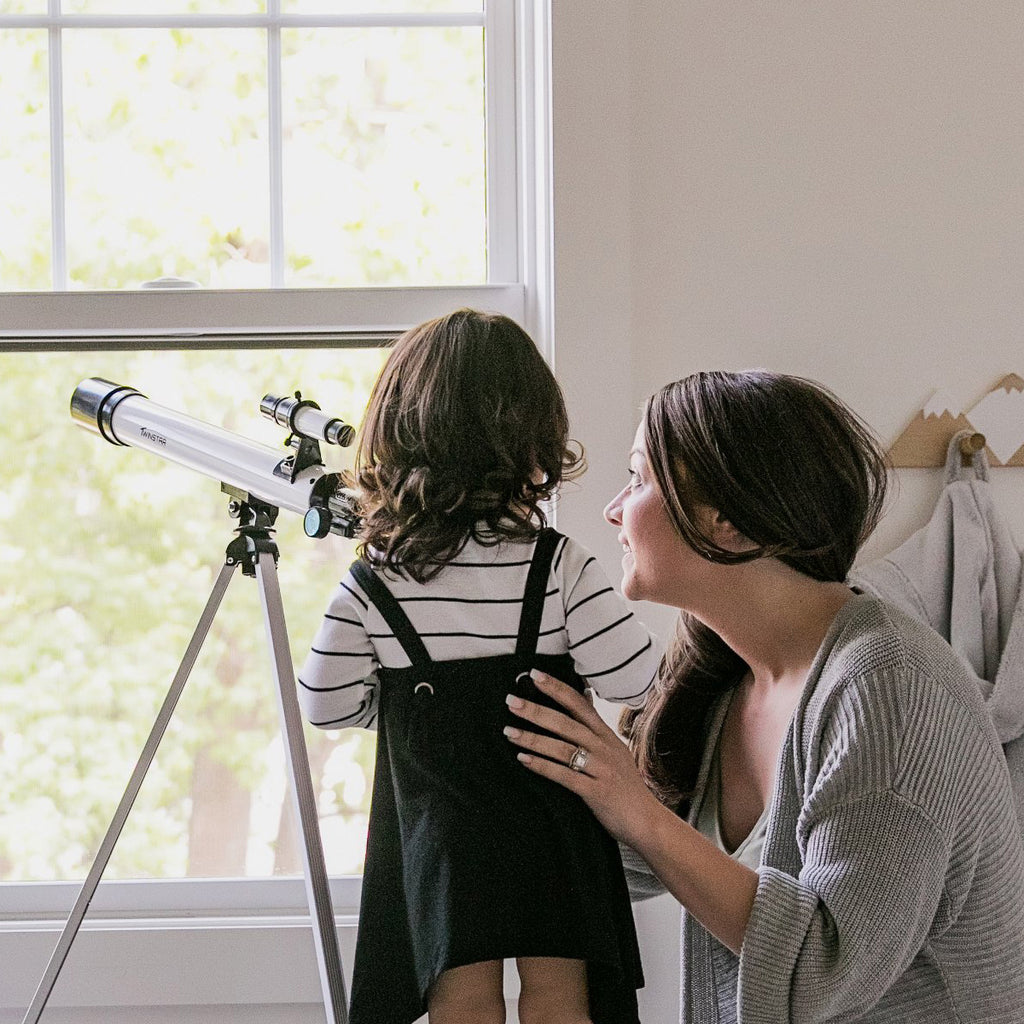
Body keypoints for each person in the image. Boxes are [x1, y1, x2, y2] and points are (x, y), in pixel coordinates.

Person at [505, 370, 1024, 1023]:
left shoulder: (890, 687)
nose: (614, 509)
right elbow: (638, 860)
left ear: (725, 522)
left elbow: (818, 972)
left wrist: (633, 806)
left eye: (639, 479)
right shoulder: (725, 677)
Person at [299, 309, 662, 1024]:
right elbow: (636, 682)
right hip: (554, 817)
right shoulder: (557, 566)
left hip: (445, 833)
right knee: (562, 995)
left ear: (397, 438)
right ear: (531, 437)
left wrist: (407, 703)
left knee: (459, 998)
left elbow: (326, 705)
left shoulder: (376, 580)